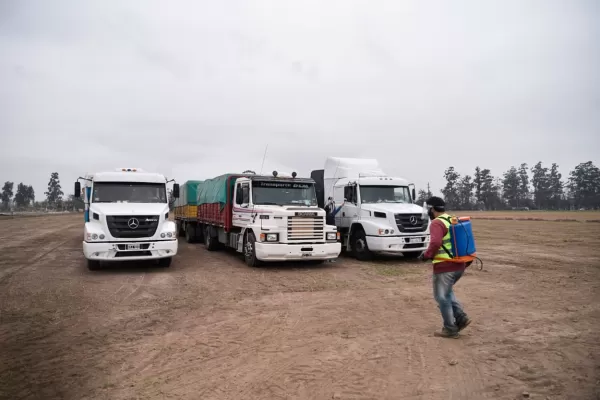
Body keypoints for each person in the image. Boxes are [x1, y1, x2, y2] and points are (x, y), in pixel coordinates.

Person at [419, 196, 472, 338]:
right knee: (447, 293)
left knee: (441, 297)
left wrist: (426, 255)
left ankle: (450, 328)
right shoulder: (451, 219)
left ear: (432, 209)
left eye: (429, 209)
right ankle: (461, 318)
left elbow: (435, 243)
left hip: (445, 267)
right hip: (459, 266)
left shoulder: (436, 223)